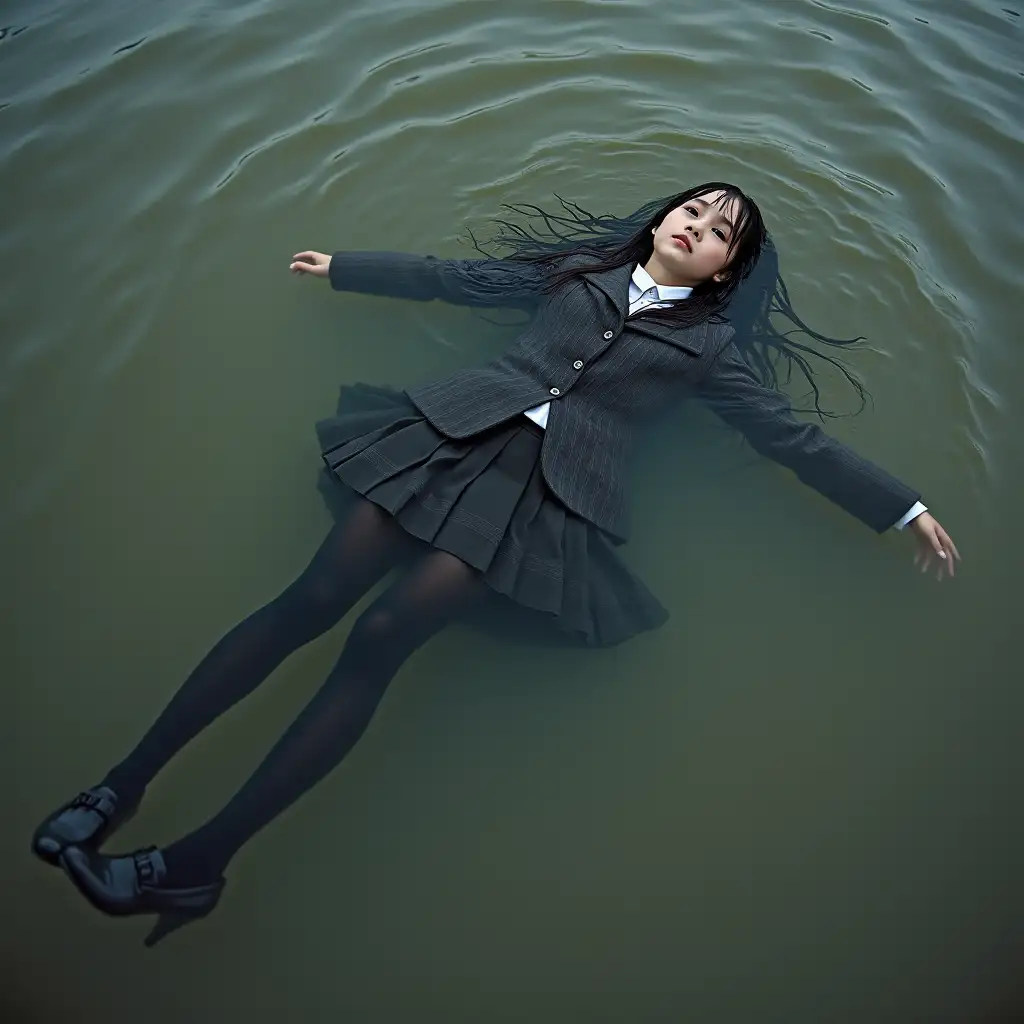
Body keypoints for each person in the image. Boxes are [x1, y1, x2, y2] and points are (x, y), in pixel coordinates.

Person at [32, 182, 960, 945]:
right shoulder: (578, 270)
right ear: (661, 216)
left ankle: (197, 864)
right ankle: (119, 787)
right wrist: (345, 268)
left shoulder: (708, 349)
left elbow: (794, 442)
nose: (698, 225)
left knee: (381, 640)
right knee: (308, 599)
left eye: (723, 233)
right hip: (444, 442)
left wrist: (904, 509)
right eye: (695, 207)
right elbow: (460, 278)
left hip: (540, 504)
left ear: (727, 270)